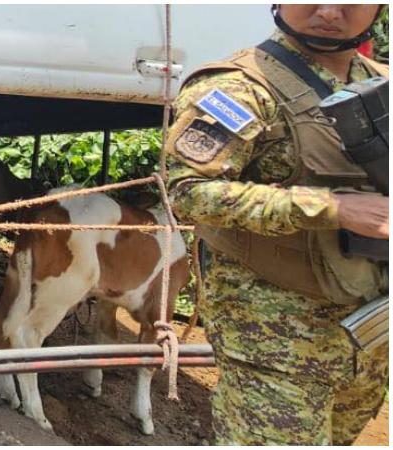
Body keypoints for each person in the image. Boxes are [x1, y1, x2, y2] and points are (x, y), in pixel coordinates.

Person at [166, 4, 388, 445]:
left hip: (368, 337)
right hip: (273, 340)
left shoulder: (379, 82)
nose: (329, 10)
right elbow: (187, 194)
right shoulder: (236, 89)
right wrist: (330, 208)